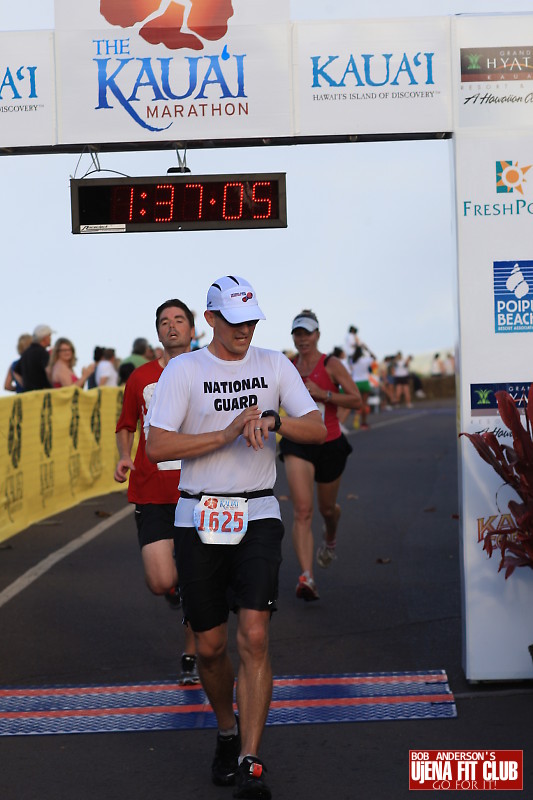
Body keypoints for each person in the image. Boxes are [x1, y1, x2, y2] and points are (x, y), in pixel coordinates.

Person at [145, 275, 326, 800]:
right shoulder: (185, 370)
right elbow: (156, 446)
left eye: (251, 320)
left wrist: (275, 421)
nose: (245, 329)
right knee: (210, 646)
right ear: (211, 321)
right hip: (198, 516)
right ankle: (226, 727)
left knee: (254, 636)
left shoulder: (273, 364)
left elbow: (316, 428)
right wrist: (224, 434)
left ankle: (250, 758)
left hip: (257, 512)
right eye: (234, 320)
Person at [115, 299, 199, 685]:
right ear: (158, 332)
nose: (172, 327)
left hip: (198, 491)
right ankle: (179, 590)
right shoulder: (141, 377)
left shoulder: (209, 372)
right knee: (162, 581)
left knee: (195, 577)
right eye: (165, 322)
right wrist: (123, 456)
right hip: (152, 491)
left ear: (193, 329)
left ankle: (192, 652)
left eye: (179, 320)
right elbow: (126, 424)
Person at [279, 310, 362, 602]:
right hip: (298, 442)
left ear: (317, 335)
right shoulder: (287, 366)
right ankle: (307, 577)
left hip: (329, 442)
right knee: (302, 510)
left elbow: (356, 399)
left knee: (327, 510)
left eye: (307, 333)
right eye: (297, 334)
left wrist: (323, 394)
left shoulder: (331, 364)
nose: (302, 339)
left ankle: (330, 537)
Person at [17, 324, 54, 391]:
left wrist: (26, 386)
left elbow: (16, 371)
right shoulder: (42, 352)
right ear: (45, 338)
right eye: (49, 336)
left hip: (30, 396)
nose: (50, 338)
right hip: (43, 394)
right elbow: (48, 371)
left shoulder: (26, 353)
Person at [349, 344, 377, 430]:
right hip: (364, 382)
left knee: (357, 403)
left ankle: (356, 416)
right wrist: (367, 348)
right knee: (364, 404)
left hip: (355, 383)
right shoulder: (365, 360)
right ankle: (363, 423)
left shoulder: (352, 360)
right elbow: (374, 357)